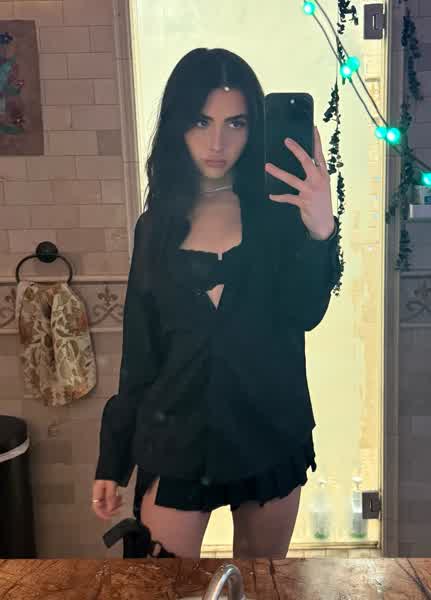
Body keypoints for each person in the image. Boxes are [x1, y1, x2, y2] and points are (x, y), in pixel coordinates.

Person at [91, 47, 340, 559]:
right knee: (158, 586)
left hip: (268, 430)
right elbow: (140, 355)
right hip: (176, 438)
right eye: (201, 121)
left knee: (261, 587)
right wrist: (112, 461)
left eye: (236, 123)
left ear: (255, 129)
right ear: (177, 125)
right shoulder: (155, 226)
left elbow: (305, 312)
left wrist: (321, 230)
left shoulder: (281, 215)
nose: (217, 142)